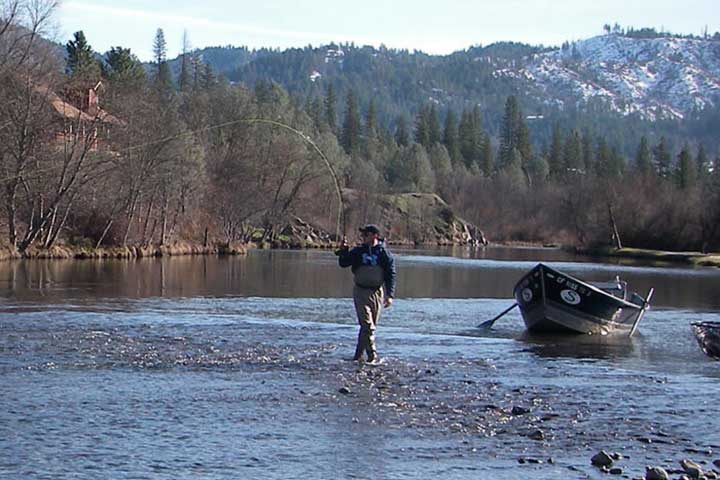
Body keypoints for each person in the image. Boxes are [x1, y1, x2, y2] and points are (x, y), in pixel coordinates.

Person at [337, 224, 396, 364]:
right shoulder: (358, 251)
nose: (362, 237)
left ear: (374, 236)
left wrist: (390, 295)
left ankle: (357, 356)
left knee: (368, 328)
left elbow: (391, 274)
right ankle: (372, 356)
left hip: (377, 292)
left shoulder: (384, 253)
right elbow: (344, 263)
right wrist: (343, 250)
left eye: (366, 235)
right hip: (360, 291)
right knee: (367, 325)